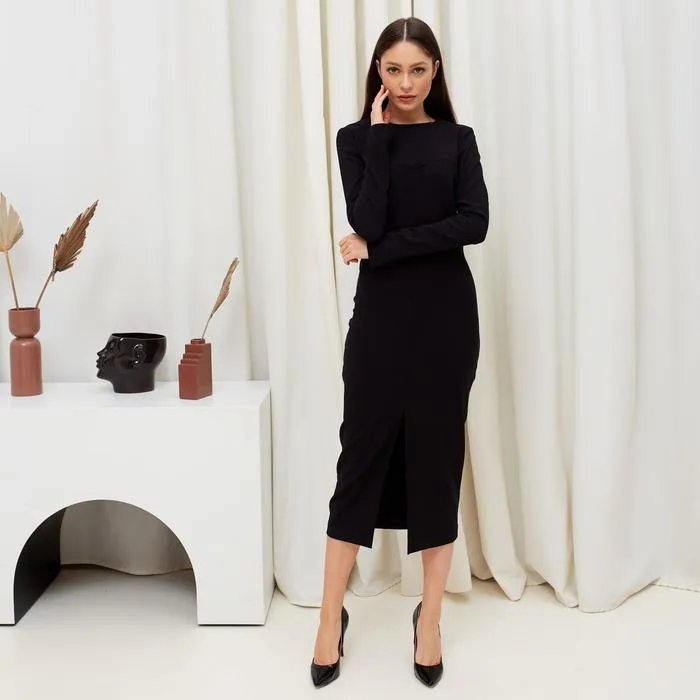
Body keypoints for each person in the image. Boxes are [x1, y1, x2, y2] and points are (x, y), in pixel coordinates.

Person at [311, 17, 489, 689]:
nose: (406, 83)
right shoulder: (355, 139)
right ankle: (328, 618)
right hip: (381, 323)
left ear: (435, 71)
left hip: (447, 320)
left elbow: (473, 223)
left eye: (418, 70)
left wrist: (380, 251)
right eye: (394, 70)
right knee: (359, 458)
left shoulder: (457, 140)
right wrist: (380, 139)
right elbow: (367, 218)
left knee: (438, 464)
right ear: (378, 74)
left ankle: (430, 619)